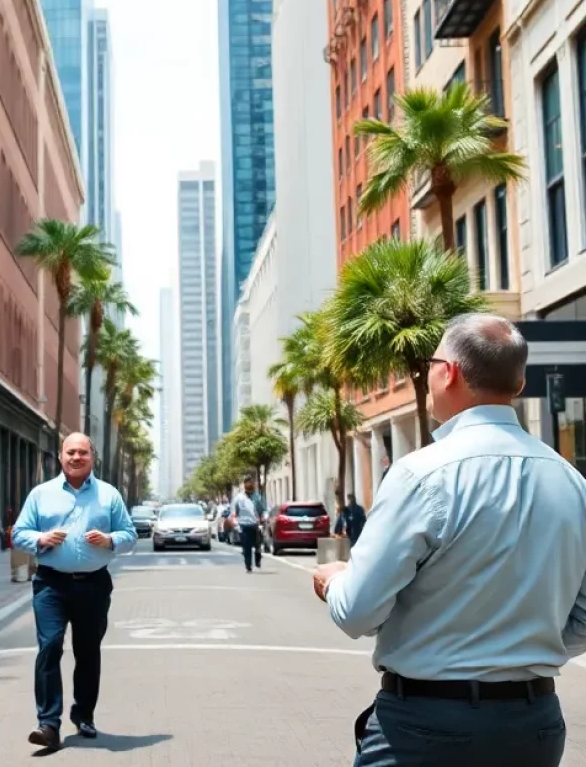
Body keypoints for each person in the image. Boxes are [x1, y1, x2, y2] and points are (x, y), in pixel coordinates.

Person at [313, 314, 586, 767]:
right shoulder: (572, 482)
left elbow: (358, 611)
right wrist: (524, 646)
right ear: (517, 385)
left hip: (425, 727)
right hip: (533, 726)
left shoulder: (421, 475)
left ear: (449, 371)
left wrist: (331, 581)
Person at [11, 432, 137, 751]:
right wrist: (41, 539)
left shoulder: (109, 495)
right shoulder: (42, 494)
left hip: (93, 585)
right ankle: (48, 724)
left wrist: (110, 540)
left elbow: (130, 534)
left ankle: (83, 714)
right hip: (51, 584)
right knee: (50, 647)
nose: (76, 457)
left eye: (82, 452)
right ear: (61, 455)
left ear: (92, 456)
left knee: (87, 651)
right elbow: (19, 533)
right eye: (71, 452)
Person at [230, 474, 267, 572]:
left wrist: (263, 519)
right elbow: (234, 513)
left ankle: (258, 559)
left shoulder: (257, 497)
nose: (250, 484)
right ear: (244, 484)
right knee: (247, 547)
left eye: (251, 482)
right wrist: (236, 525)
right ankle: (248, 565)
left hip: (255, 525)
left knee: (257, 546)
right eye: (247, 482)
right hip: (243, 525)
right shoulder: (239, 498)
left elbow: (264, 510)